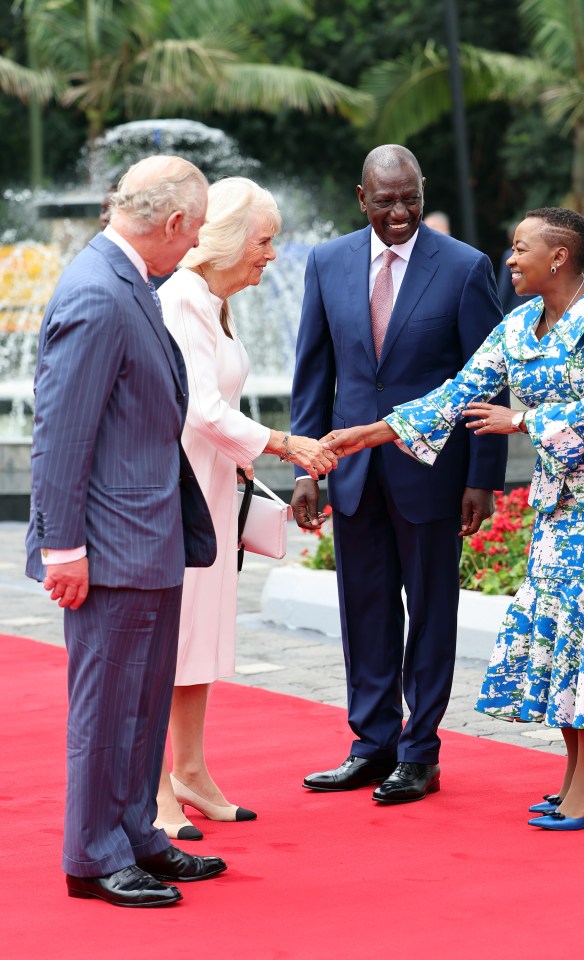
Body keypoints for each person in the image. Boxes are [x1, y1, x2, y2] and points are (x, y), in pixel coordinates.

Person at [322, 207, 584, 830]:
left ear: (559, 257)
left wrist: (520, 421)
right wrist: (375, 433)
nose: (510, 258)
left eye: (521, 248)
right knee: (555, 612)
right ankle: (580, 773)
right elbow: (458, 391)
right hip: (567, 488)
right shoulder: (518, 326)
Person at [25, 155, 228, 908]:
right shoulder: (98, 293)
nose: (196, 244)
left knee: (141, 706)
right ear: (173, 223)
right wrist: (63, 546)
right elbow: (59, 435)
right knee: (107, 708)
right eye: (196, 230)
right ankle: (92, 856)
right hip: (108, 549)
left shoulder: (127, 283)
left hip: (147, 539)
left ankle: (137, 833)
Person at [291, 144, 508, 804]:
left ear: (421, 189)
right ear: (362, 198)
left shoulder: (465, 267)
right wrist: (308, 466)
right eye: (385, 200)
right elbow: (314, 372)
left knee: (432, 611)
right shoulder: (327, 263)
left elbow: (487, 377)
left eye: (409, 197)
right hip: (355, 472)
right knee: (365, 610)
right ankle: (372, 743)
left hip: (434, 475)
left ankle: (420, 751)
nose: (399, 212)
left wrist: (482, 477)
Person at [155, 177, 337, 840]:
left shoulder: (213, 300)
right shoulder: (182, 299)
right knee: (170, 645)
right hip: (178, 500)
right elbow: (200, 408)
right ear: (230, 238)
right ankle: (155, 793)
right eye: (265, 241)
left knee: (200, 638)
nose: (272, 255)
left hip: (212, 496)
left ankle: (192, 771)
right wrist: (285, 443)